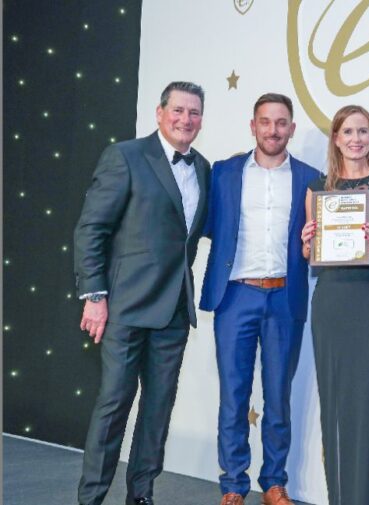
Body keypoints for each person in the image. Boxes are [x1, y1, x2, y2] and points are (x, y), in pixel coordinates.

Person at [74, 81, 210, 505]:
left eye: (194, 113)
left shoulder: (202, 167)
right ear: (159, 112)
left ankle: (141, 495)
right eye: (179, 110)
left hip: (173, 311)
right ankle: (91, 498)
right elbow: (91, 229)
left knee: (157, 412)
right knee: (114, 407)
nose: (186, 119)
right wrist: (95, 296)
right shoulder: (126, 156)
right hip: (125, 307)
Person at [199, 93, 321, 505]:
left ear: (291, 127)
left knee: (278, 396)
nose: (273, 129)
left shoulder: (311, 178)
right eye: (265, 122)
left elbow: (316, 244)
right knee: (233, 394)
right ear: (253, 126)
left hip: (285, 297)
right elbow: (207, 226)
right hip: (235, 296)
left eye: (281, 122)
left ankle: (273, 482)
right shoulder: (223, 173)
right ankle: (233, 484)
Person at [299, 105, 369, 505]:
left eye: (363, 132)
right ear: (336, 139)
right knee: (335, 410)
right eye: (348, 132)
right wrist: (309, 242)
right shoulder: (317, 188)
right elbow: (310, 255)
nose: (356, 139)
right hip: (332, 304)